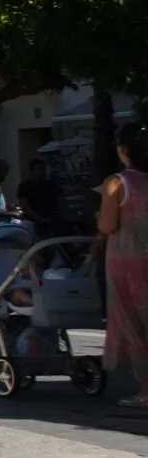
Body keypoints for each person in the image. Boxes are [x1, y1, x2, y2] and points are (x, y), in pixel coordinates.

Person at [99, 123, 148, 407]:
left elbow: (107, 225)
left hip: (126, 262)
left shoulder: (116, 183)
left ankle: (145, 389)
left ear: (124, 149)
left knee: (135, 326)